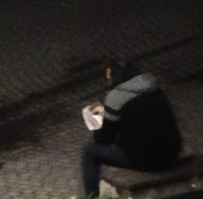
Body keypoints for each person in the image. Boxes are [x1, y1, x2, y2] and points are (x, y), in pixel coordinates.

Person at [75, 59, 181, 195]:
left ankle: (91, 196)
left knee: (90, 152)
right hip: (171, 154)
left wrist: (99, 123)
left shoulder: (116, 97)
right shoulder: (153, 86)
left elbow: (104, 138)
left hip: (151, 161)